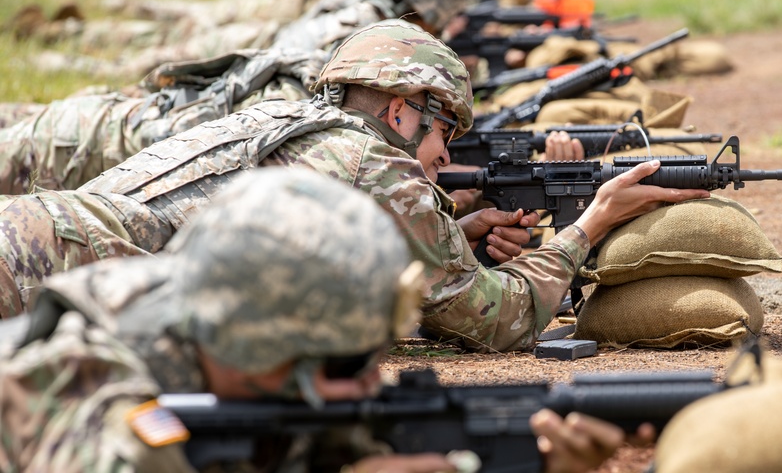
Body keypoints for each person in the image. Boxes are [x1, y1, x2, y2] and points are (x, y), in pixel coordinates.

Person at [0, 21, 709, 352]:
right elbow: (497, 319)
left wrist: (447, 238)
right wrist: (591, 224)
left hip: (37, 235)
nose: (440, 156)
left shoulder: (279, 118)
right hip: (45, 276)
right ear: (400, 109)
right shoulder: (377, 167)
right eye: (443, 135)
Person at [0, 167, 632, 472]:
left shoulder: (227, 335)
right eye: (348, 362)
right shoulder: (87, 386)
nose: (368, 383)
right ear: (256, 345)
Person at [0, 0, 473, 195]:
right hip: (104, 142)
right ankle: (51, 49)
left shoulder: (365, 33)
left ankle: (54, 45)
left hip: (134, 128)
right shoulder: (355, 58)